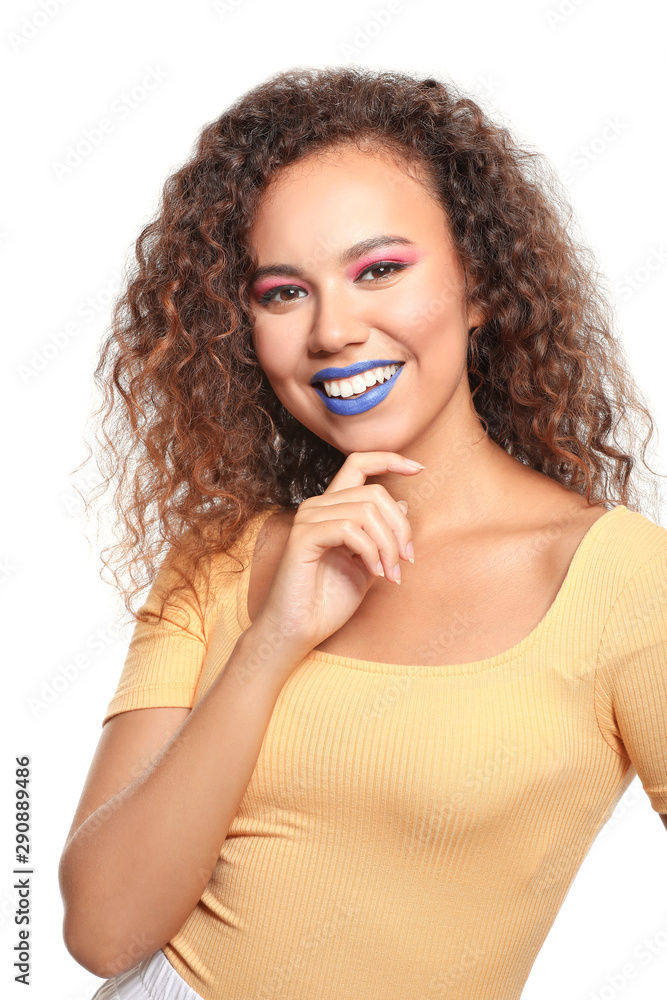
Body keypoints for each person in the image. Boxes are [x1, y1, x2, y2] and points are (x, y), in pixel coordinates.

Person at [58, 66, 667, 1000]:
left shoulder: (621, 582)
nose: (334, 330)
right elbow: (102, 932)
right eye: (280, 292)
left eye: (379, 270)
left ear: (480, 286)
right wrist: (273, 643)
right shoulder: (220, 560)